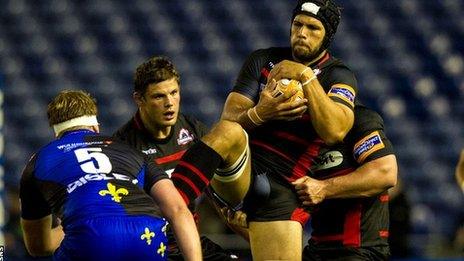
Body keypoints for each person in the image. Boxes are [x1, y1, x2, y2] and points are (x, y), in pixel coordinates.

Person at [218, 0, 358, 259]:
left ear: (328, 36)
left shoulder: (338, 76)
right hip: (243, 173)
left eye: (313, 28)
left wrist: (306, 76)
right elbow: (229, 119)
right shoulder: (263, 60)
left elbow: (335, 131)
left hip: (283, 188)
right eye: (297, 24)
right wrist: (262, 113)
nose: (302, 33)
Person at [19, 90, 201, 260]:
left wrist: (72, 227)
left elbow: (38, 246)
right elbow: (178, 210)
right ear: (95, 126)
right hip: (149, 234)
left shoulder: (40, 159)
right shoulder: (131, 150)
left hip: (90, 239)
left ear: (57, 134)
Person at [113, 56, 238, 260]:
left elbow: (214, 186)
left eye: (174, 93)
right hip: (150, 247)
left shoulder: (191, 129)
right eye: (158, 97)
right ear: (139, 99)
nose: (169, 103)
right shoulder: (123, 147)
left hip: (190, 240)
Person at [291, 105, 397, 260]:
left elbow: (384, 172)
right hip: (316, 250)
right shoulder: (299, 129)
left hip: (358, 251)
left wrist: (323, 188)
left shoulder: (358, 119)